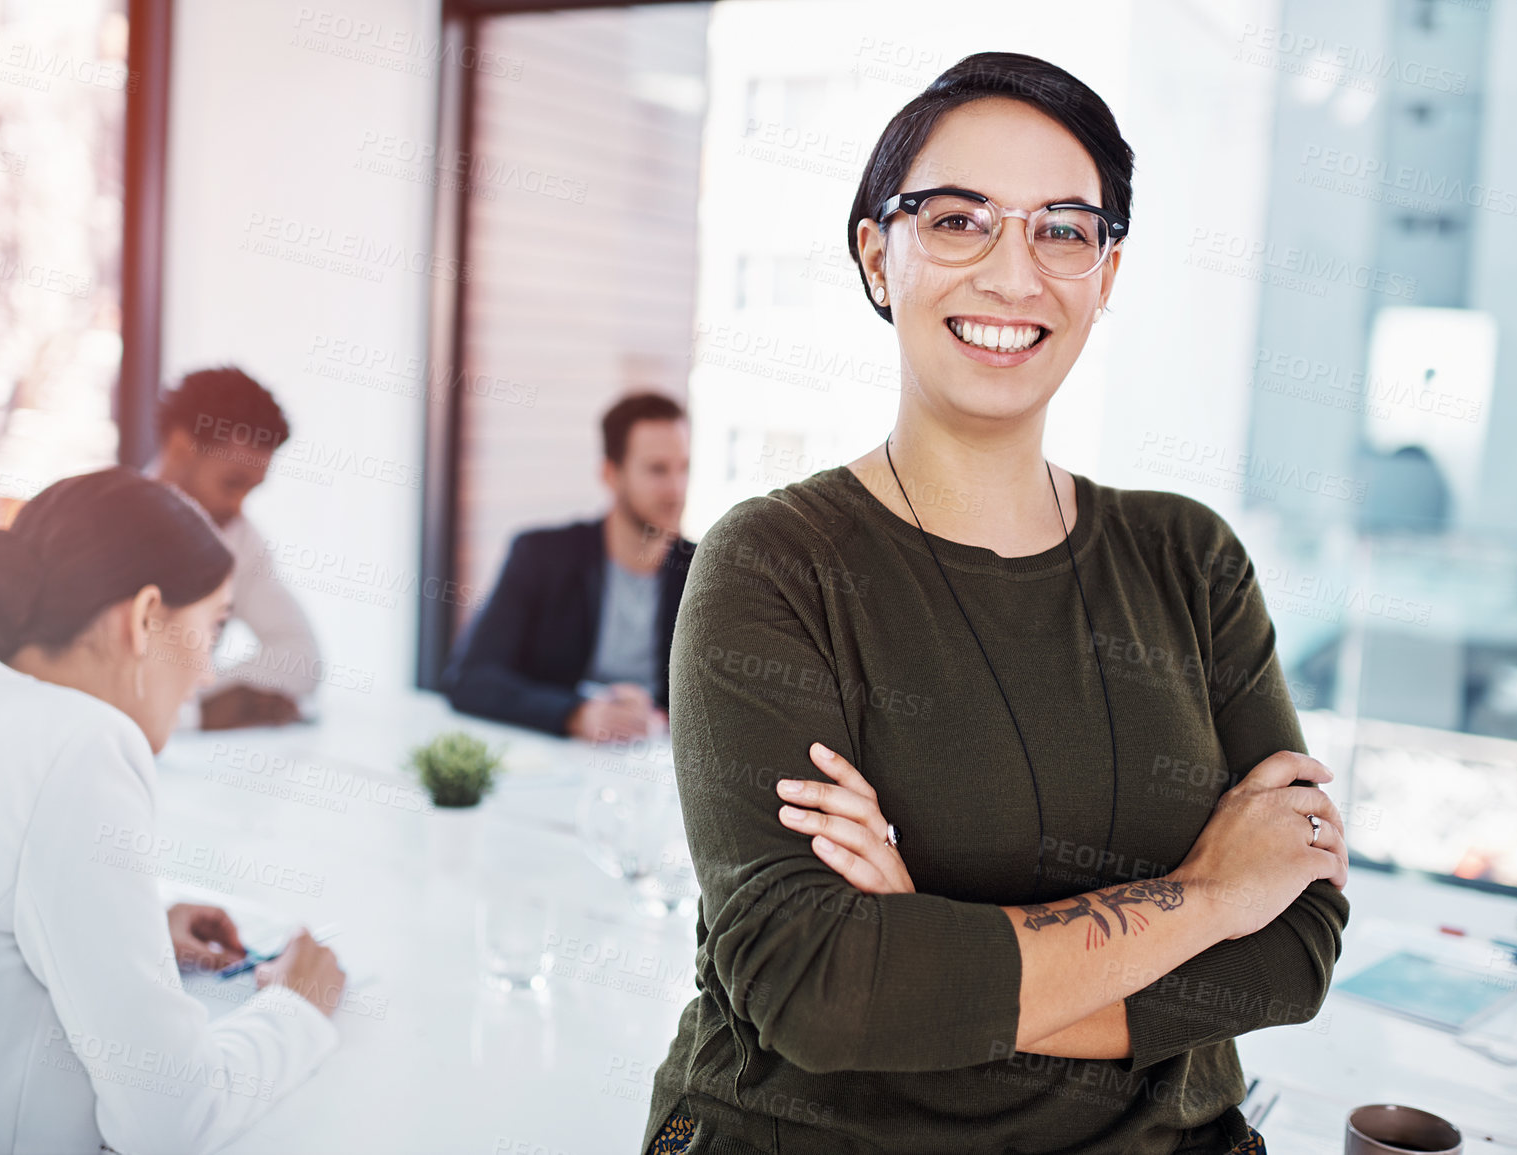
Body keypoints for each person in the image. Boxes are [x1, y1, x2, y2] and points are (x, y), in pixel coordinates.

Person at [642, 53, 1350, 1155]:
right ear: (879, 255)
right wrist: (1210, 896)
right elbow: (820, 990)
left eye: (1064, 229)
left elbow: (1296, 942)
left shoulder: (1190, 560)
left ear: (1107, 274)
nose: (1015, 276)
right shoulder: (774, 564)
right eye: (959, 219)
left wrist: (936, 954)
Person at [0, 467, 345, 1154]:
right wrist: (296, 1006)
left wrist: (131, 922)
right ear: (143, 617)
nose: (208, 675)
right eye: (213, 627)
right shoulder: (82, 742)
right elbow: (173, 1119)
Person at [441, 392, 695, 742]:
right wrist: (576, 714)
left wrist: (663, 720)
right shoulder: (541, 555)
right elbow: (471, 679)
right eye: (657, 470)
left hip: (661, 773)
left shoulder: (702, 572)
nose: (676, 489)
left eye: (684, 468)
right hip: (561, 763)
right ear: (610, 474)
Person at [148, 366, 323, 730]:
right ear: (181, 448)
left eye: (251, 489)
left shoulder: (240, 539)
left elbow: (302, 659)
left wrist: (198, 702)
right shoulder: (99, 528)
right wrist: (198, 713)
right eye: (231, 483)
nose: (240, 505)